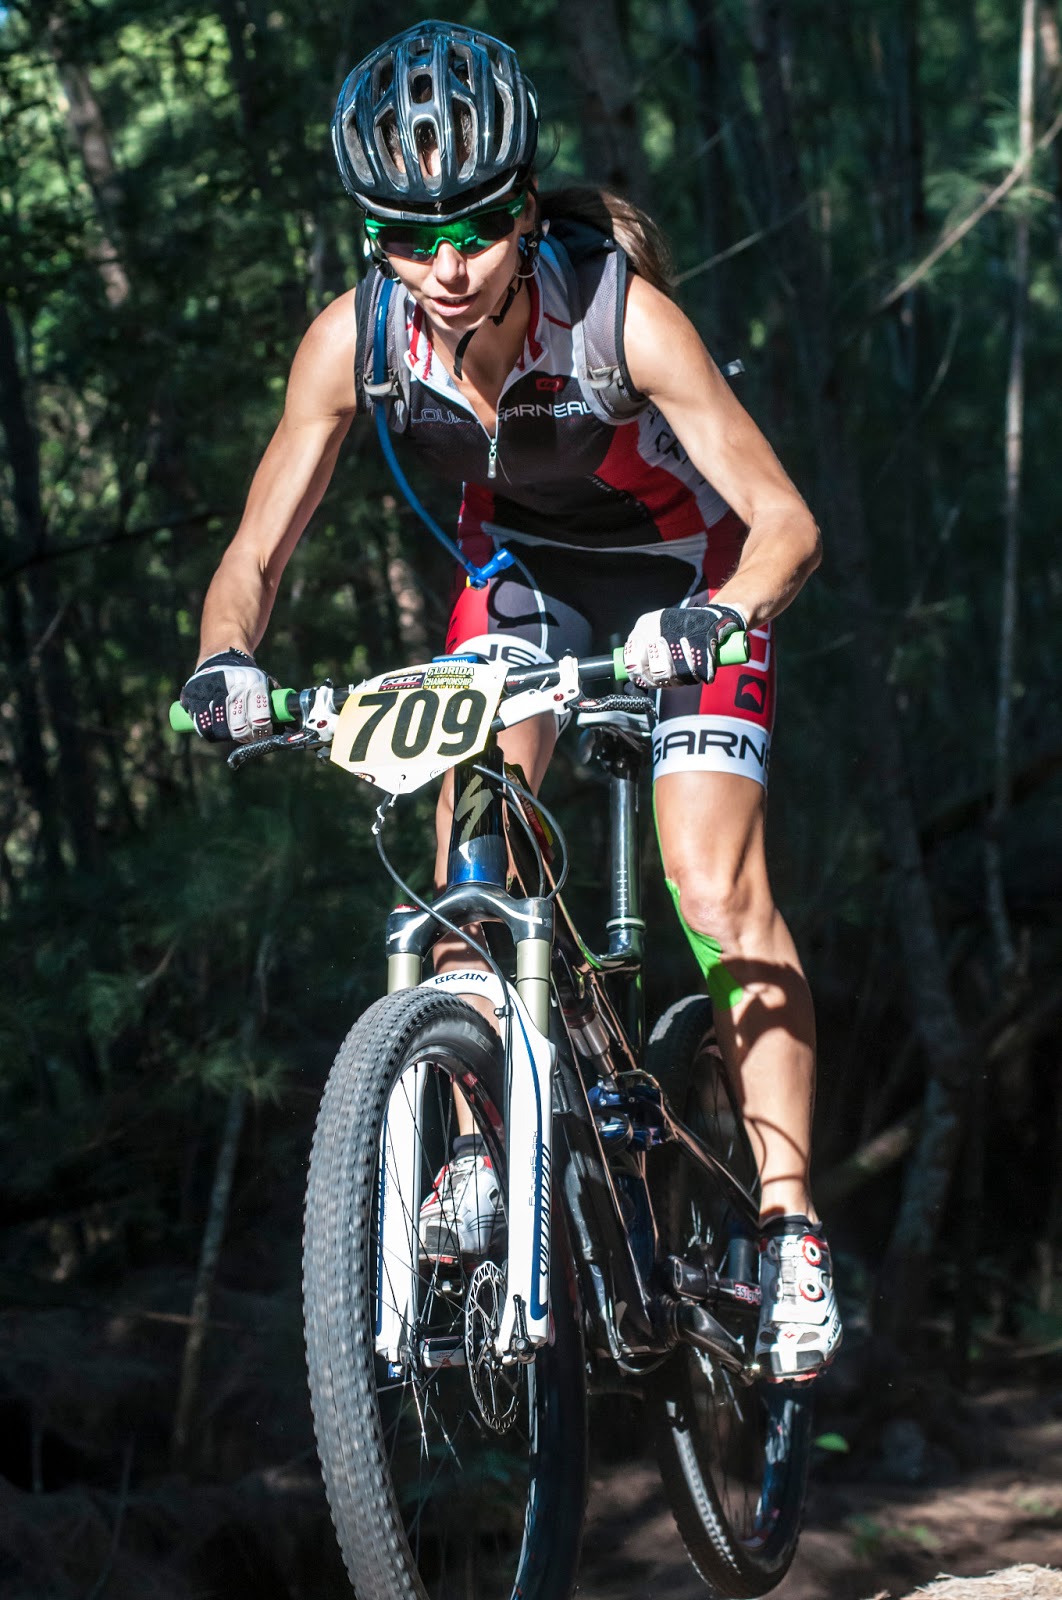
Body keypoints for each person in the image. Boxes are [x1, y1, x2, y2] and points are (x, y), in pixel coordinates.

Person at [179, 19, 841, 1382]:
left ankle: (788, 1231)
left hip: (686, 576)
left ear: (525, 208)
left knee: (711, 890)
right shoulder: (354, 340)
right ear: (372, 236)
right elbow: (253, 555)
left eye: (476, 229)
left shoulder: (620, 316)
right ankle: (484, 1147)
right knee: (466, 881)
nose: (445, 267)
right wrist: (226, 661)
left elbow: (786, 522)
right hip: (524, 587)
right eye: (407, 237)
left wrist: (718, 620)